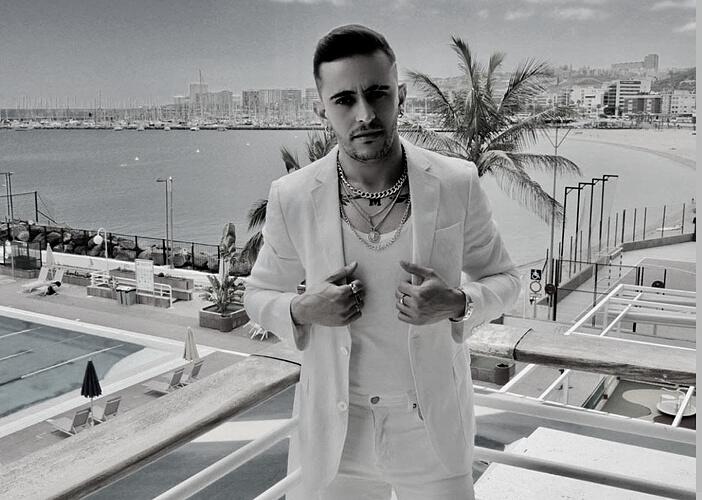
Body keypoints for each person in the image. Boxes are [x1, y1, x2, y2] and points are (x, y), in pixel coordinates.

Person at [244, 24, 520, 500]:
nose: (365, 114)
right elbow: (257, 294)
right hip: (337, 434)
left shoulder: (455, 182)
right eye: (344, 100)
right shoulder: (293, 196)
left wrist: (457, 302)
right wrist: (302, 309)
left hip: (431, 429)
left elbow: (506, 279)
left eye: (377, 93)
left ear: (401, 96)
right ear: (321, 109)